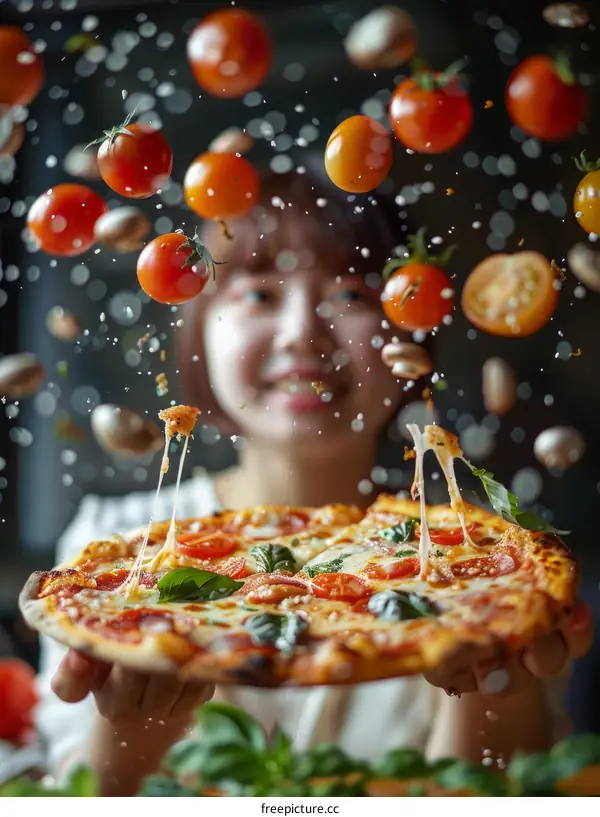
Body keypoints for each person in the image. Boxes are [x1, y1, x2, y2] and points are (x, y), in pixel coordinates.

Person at [35, 160, 593, 797]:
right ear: (198, 331)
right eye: (260, 294)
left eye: (353, 295)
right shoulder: (113, 555)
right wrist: (127, 729)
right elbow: (68, 800)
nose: (303, 333)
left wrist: (497, 682)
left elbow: (487, 799)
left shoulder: (486, 563)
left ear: (411, 340)